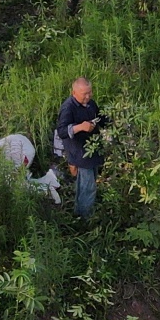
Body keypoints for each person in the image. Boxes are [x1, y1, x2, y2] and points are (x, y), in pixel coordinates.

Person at [53, 77, 106, 218]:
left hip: (92, 148)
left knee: (87, 182)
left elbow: (100, 118)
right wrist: (80, 127)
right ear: (74, 92)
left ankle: (79, 212)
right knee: (88, 186)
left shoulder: (90, 104)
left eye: (90, 92)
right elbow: (62, 131)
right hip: (80, 152)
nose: (88, 96)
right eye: (84, 94)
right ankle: (85, 218)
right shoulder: (68, 107)